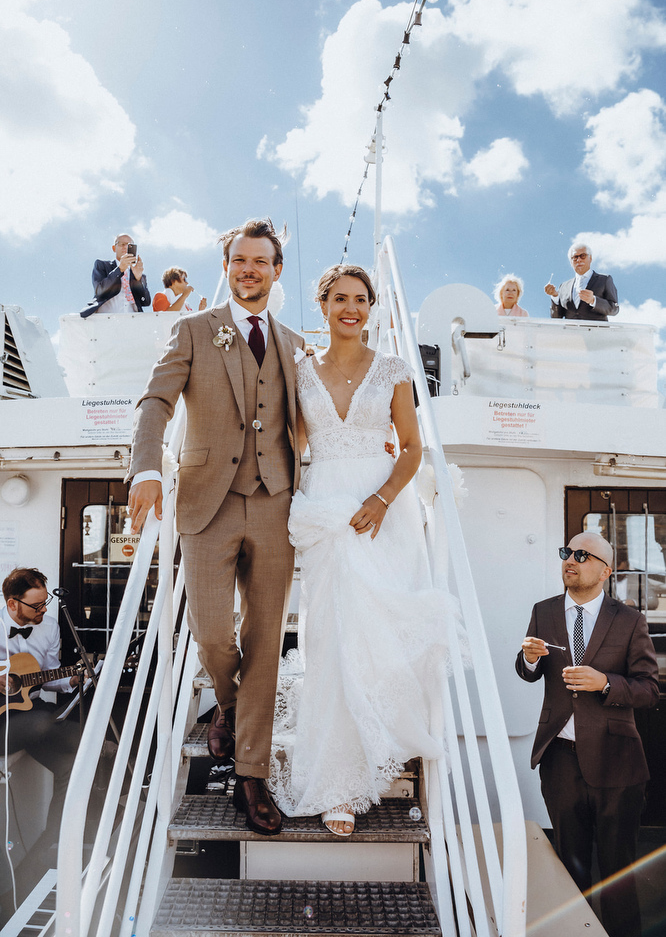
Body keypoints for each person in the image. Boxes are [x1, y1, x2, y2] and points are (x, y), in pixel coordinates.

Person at [128, 217, 305, 836]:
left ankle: (251, 778)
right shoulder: (194, 329)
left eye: (261, 261)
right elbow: (156, 402)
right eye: (239, 261)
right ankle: (227, 707)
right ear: (227, 267)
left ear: (276, 270)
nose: (249, 269)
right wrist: (146, 467)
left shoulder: (291, 342)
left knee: (265, 642)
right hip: (206, 500)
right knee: (209, 631)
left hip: (277, 503)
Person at [269, 265, 461, 837]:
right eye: (340, 299)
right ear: (323, 305)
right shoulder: (299, 371)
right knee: (331, 642)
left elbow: (411, 449)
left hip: (383, 513)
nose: (351, 309)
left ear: (372, 308)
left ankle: (383, 741)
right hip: (327, 508)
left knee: (380, 634)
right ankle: (337, 784)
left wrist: (380, 500)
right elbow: (290, 443)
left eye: (361, 300)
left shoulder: (395, 371)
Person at [516, 533, 658, 937]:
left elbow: (648, 689)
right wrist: (527, 659)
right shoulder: (543, 611)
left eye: (582, 555)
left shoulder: (630, 620)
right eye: (566, 553)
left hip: (618, 761)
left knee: (617, 868)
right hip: (559, 757)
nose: (570, 560)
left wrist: (606, 683)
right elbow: (530, 670)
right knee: (569, 864)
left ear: (605, 570)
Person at [0, 569, 81, 863]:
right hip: (4, 725)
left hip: (30, 714)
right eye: (36, 605)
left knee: (72, 766)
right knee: (45, 720)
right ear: (12, 604)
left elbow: (47, 675)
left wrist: (71, 680)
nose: (44, 609)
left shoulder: (49, 627)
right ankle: (103, 747)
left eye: (45, 601)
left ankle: (52, 844)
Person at [80, 233, 151, 318]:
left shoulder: (138, 274)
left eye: (129, 245)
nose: (125, 247)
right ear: (114, 248)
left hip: (132, 320)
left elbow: (145, 302)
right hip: (106, 319)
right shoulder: (102, 265)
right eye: (122, 244)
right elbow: (99, 290)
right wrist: (120, 269)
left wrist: (138, 279)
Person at [544, 244, 619, 321]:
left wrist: (593, 300)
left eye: (583, 256)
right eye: (575, 257)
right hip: (571, 332)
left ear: (590, 258)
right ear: (571, 262)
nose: (579, 260)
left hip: (596, 331)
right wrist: (555, 296)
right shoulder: (564, 286)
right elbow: (556, 317)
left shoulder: (604, 280)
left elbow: (614, 309)